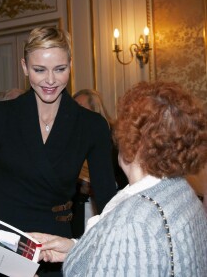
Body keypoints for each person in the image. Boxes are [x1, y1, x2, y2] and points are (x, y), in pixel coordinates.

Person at [0, 26, 117, 276]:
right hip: (1, 246)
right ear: (24, 67)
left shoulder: (91, 125)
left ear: (70, 64)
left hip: (54, 250)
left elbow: (108, 203)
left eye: (60, 69)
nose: (50, 80)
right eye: (39, 70)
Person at [31, 81, 207, 276]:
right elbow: (137, 258)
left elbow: (133, 240)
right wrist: (75, 248)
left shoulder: (133, 221)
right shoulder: (181, 192)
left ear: (133, 139)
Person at [71, 89, 128, 237]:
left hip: (110, 208)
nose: (75, 112)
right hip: (80, 210)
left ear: (94, 110)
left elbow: (123, 179)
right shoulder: (71, 140)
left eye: (80, 106)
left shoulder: (116, 140)